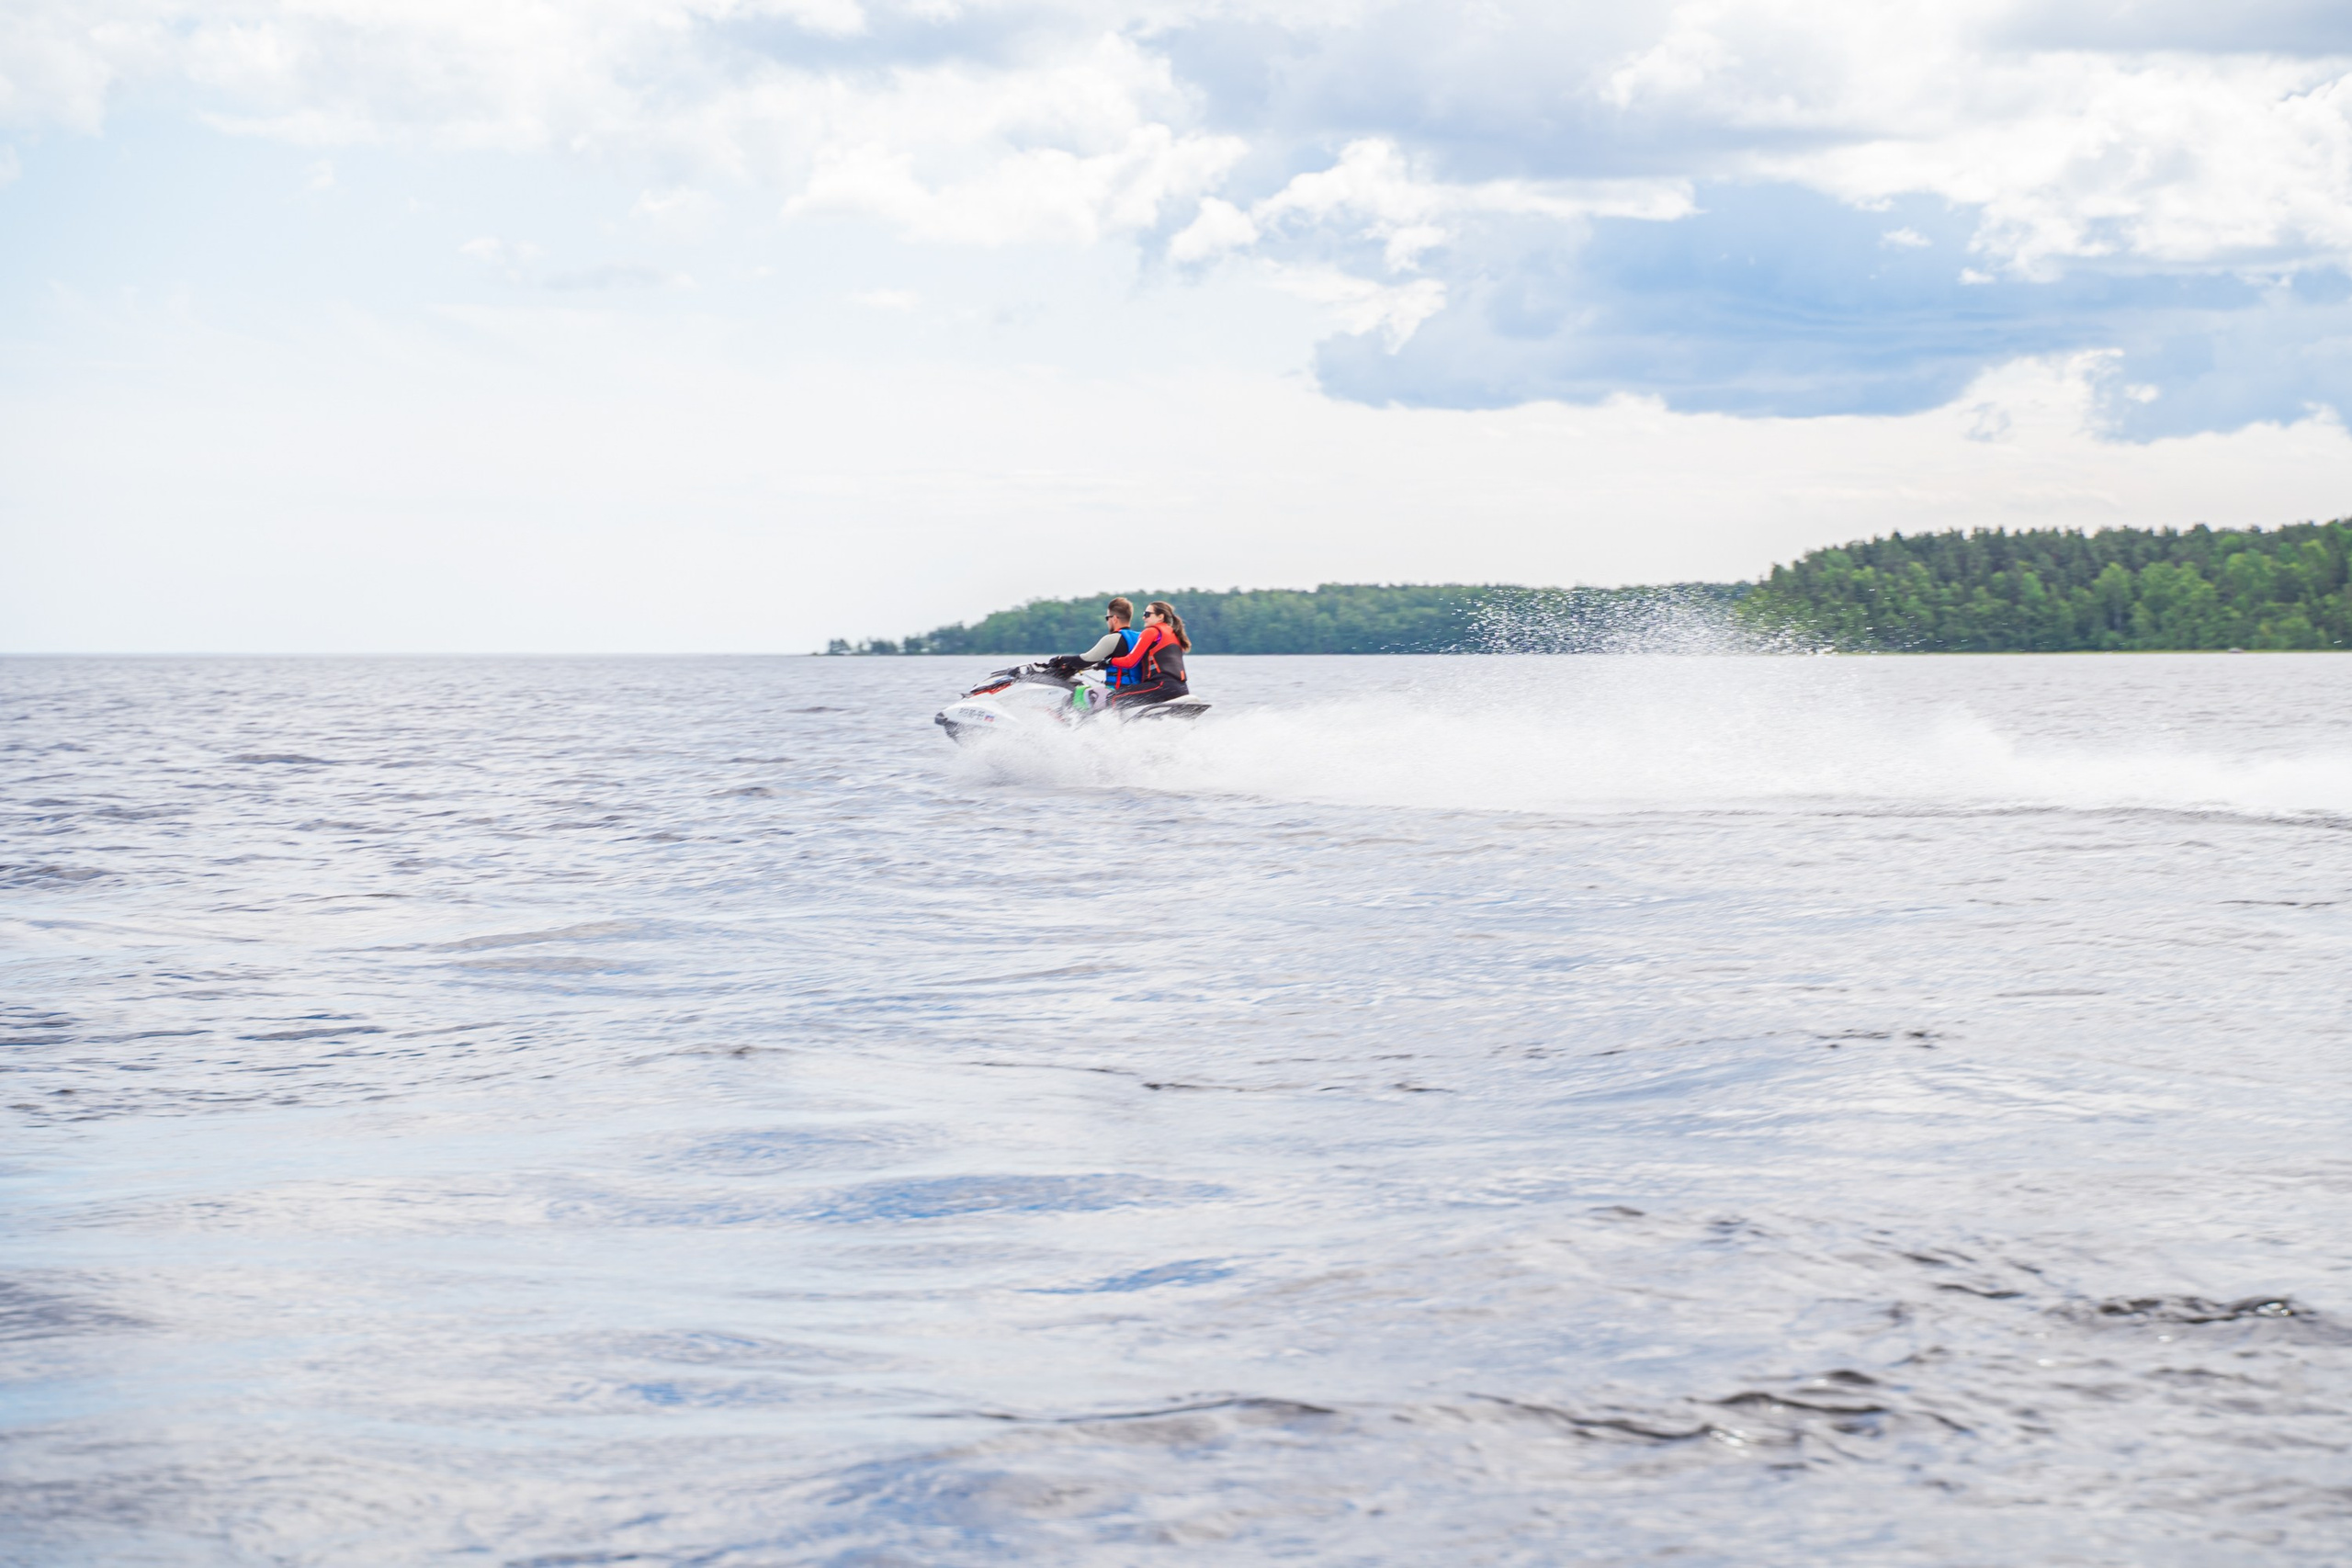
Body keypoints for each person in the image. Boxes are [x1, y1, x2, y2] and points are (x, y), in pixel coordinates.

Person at [1103, 600, 1191, 706]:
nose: (1143, 617)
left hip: (1161, 687)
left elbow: (1130, 661)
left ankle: (1111, 723)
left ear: (1160, 617)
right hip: (1182, 689)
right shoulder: (1176, 635)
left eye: (1147, 614)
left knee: (1113, 697)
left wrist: (1109, 661)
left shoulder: (1151, 631)